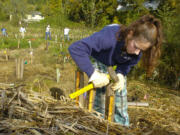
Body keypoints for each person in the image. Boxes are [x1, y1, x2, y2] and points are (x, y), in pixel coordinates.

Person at [68, 15, 162, 126]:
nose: (137, 53)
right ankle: (98, 126)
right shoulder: (109, 37)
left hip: (112, 65)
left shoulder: (136, 50)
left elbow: (128, 62)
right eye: (136, 47)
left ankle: (123, 128)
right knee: (100, 102)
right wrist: (93, 74)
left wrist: (121, 74)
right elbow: (76, 48)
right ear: (130, 34)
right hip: (97, 59)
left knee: (120, 101)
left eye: (142, 50)